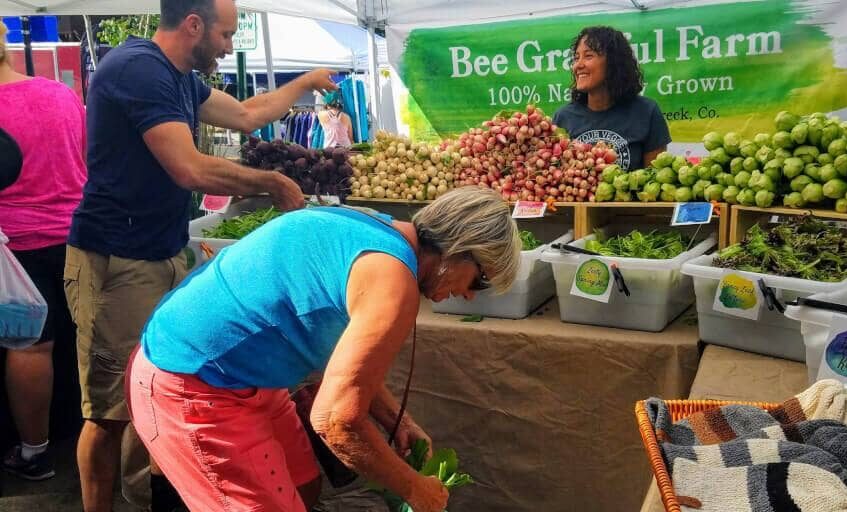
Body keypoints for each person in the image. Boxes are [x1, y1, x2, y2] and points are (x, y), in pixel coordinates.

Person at [65, 0, 338, 510]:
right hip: (116, 260)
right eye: (227, 34)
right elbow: (188, 168)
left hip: (165, 253)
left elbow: (247, 115)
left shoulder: (181, 79)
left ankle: (152, 495)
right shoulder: (137, 69)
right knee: (107, 411)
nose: (230, 46)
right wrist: (272, 182)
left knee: (161, 387)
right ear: (194, 25)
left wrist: (303, 83)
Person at [127, 187, 520, 512]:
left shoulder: (381, 229)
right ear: (462, 249)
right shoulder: (393, 279)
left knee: (304, 487)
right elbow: (335, 422)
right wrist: (414, 488)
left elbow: (346, 359)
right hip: (191, 381)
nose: (469, 296)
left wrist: (396, 421)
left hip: (244, 376)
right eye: (480, 280)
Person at [0, 21, 87, 482]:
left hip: (15, 250)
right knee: (87, 341)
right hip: (79, 237)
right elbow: (85, 157)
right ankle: (99, 436)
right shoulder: (60, 94)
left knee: (30, 346)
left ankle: (34, 453)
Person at [553, 26, 670, 171]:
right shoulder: (563, 117)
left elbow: (655, 180)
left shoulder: (646, 112)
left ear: (613, 62)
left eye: (588, 56)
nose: (578, 65)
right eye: (576, 58)